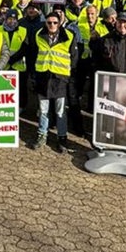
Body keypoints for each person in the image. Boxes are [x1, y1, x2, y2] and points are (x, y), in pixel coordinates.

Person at [28, 12, 79, 153]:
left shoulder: (69, 35)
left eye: (55, 23)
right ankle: (42, 135)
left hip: (60, 78)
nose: (52, 25)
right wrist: (33, 76)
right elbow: (33, 55)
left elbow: (74, 58)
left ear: (60, 22)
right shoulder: (38, 34)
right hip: (43, 77)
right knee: (43, 110)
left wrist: (68, 76)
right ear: (46, 23)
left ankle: (62, 137)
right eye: (49, 22)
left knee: (60, 111)